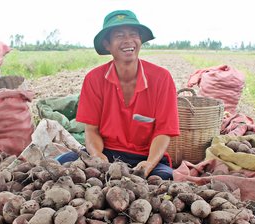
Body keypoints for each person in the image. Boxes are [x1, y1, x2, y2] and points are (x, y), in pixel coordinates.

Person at [57, 10, 180, 180]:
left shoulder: (161, 78)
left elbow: (163, 133)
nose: (128, 40)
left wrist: (149, 164)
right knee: (61, 164)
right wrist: (97, 156)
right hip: (107, 152)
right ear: (107, 44)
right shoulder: (94, 79)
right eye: (119, 35)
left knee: (162, 179)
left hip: (145, 156)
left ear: (140, 41)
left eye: (133, 34)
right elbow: (92, 130)